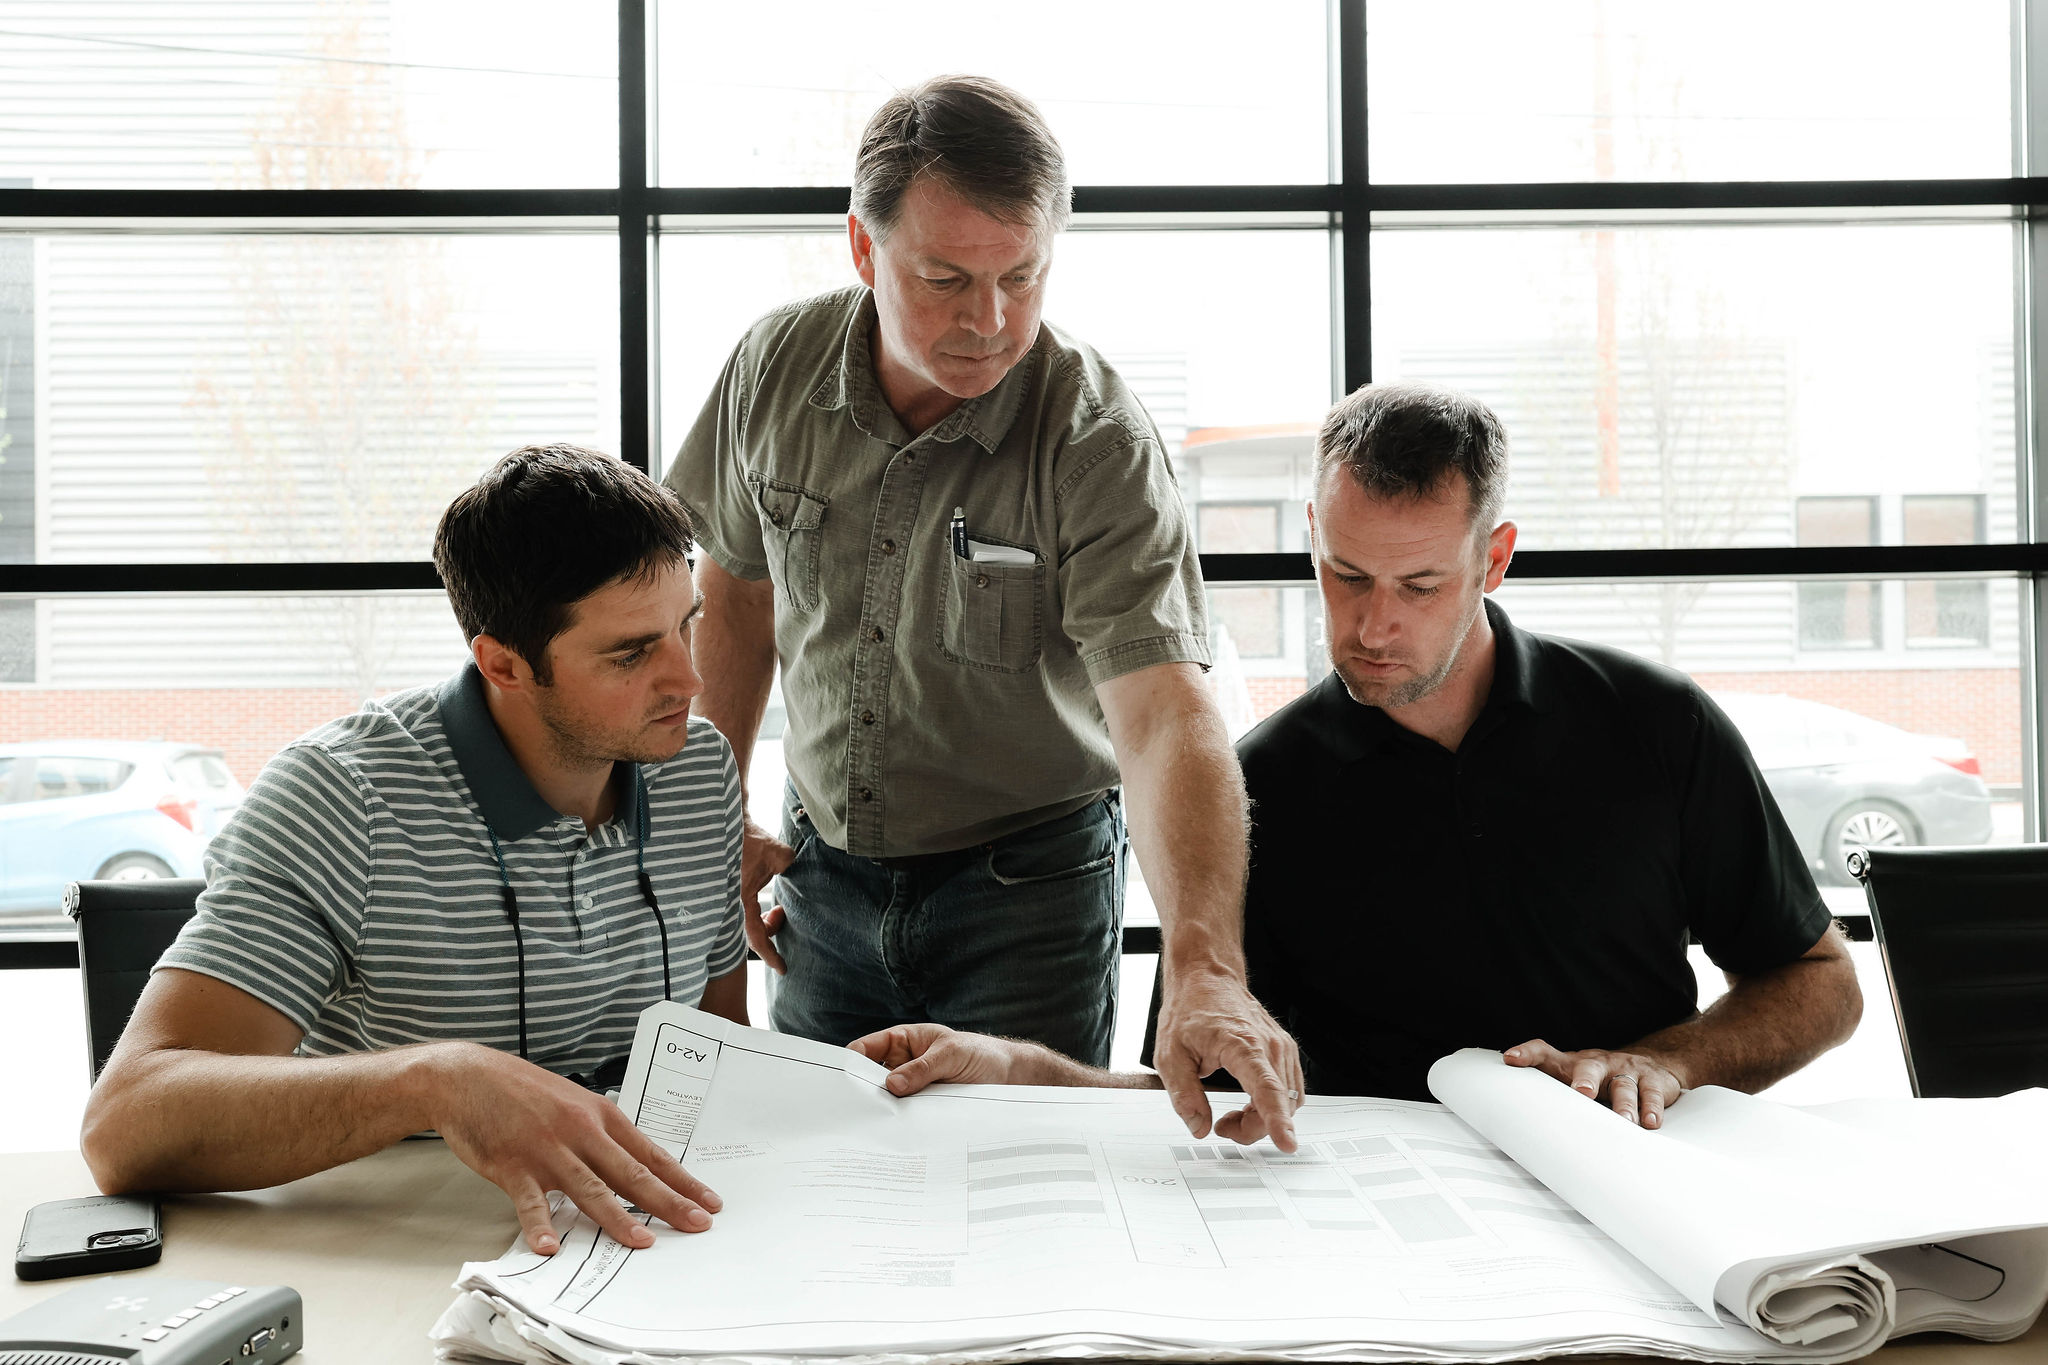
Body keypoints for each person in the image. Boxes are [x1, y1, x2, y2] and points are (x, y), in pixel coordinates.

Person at [848, 382, 1865, 1136]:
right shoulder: (1244, 796)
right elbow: (1186, 1102)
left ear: (1493, 559)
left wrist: (1664, 1066)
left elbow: (1819, 982)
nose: (1372, 625)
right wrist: (1014, 1070)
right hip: (1375, 1229)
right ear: (1309, 539)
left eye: (1419, 585)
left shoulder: (1652, 726)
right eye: (1343, 575)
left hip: (1631, 1188)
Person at [665, 74, 1300, 1145]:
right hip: (823, 885)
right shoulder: (771, 369)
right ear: (864, 252)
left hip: (1028, 893)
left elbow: (1161, 710)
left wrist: (1205, 970)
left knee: (1019, 1193)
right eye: (946, 278)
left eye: (1022, 276)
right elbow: (730, 593)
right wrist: (709, 814)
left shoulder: (1092, 434)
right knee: (819, 1174)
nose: (989, 321)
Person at [81, 445, 748, 1256]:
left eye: (689, 625)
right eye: (632, 652)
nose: (689, 680)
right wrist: (436, 1081)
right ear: (504, 663)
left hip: (644, 1248)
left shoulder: (698, 770)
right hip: (404, 1244)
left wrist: (847, 1085)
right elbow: (123, 1127)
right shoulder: (341, 796)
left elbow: (722, 1051)